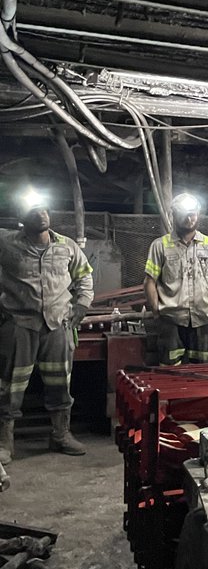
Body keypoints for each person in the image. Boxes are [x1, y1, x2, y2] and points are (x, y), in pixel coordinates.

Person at [0, 188, 94, 461]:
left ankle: (60, 435)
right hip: (18, 325)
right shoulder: (6, 243)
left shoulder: (66, 246)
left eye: (44, 209)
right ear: (20, 215)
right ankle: (5, 444)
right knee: (10, 387)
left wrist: (81, 306)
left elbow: (85, 278)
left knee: (60, 384)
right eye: (33, 210)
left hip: (57, 326)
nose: (41, 214)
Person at [144, 193, 208, 366]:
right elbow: (149, 281)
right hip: (171, 319)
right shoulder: (160, 245)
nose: (189, 218)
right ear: (174, 215)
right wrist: (156, 312)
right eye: (184, 214)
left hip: (203, 318)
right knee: (170, 367)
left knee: (202, 368)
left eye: (193, 213)